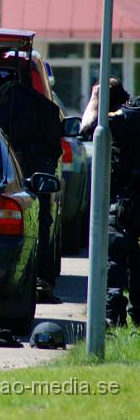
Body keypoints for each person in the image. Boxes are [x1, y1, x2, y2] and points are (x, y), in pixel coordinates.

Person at [0, 76, 63, 302]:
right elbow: (57, 145)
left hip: (20, 162)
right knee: (41, 220)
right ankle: (40, 279)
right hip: (43, 166)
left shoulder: (7, 106)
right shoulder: (44, 107)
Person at [81, 77, 140, 326]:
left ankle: (113, 320)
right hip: (130, 200)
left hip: (125, 201)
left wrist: (95, 98)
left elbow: (87, 128)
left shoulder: (126, 117)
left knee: (114, 259)